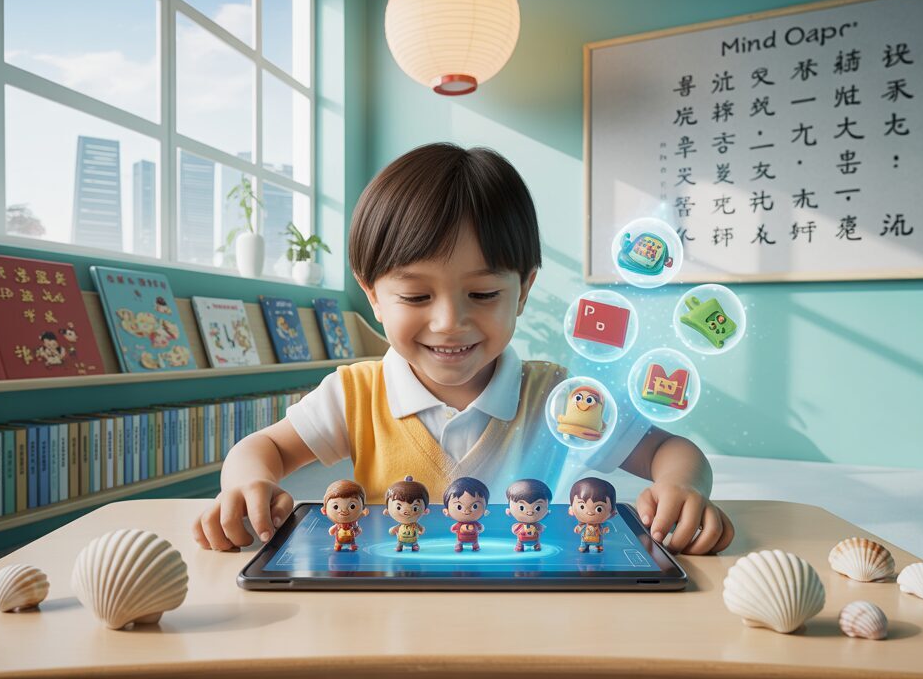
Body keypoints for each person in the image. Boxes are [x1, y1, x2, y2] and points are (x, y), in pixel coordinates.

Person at [192, 143, 735, 557]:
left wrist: (680, 488)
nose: (449, 322)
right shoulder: (356, 393)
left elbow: (674, 452)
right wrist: (247, 484)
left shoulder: (561, 400)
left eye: (482, 293)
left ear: (523, 290)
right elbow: (263, 448)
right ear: (372, 295)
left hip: (528, 606)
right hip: (395, 612)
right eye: (415, 295)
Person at [384, 475, 430, 551]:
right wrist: (392, 530)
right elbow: (392, 531)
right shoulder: (400, 526)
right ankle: (399, 546)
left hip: (413, 539)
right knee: (400, 542)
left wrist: (422, 530)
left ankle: (414, 545)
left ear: (425, 511)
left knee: (414, 543)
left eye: (415, 508)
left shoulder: (415, 525)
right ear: (387, 511)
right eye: (399, 507)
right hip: (401, 539)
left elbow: (421, 529)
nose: (406, 511)